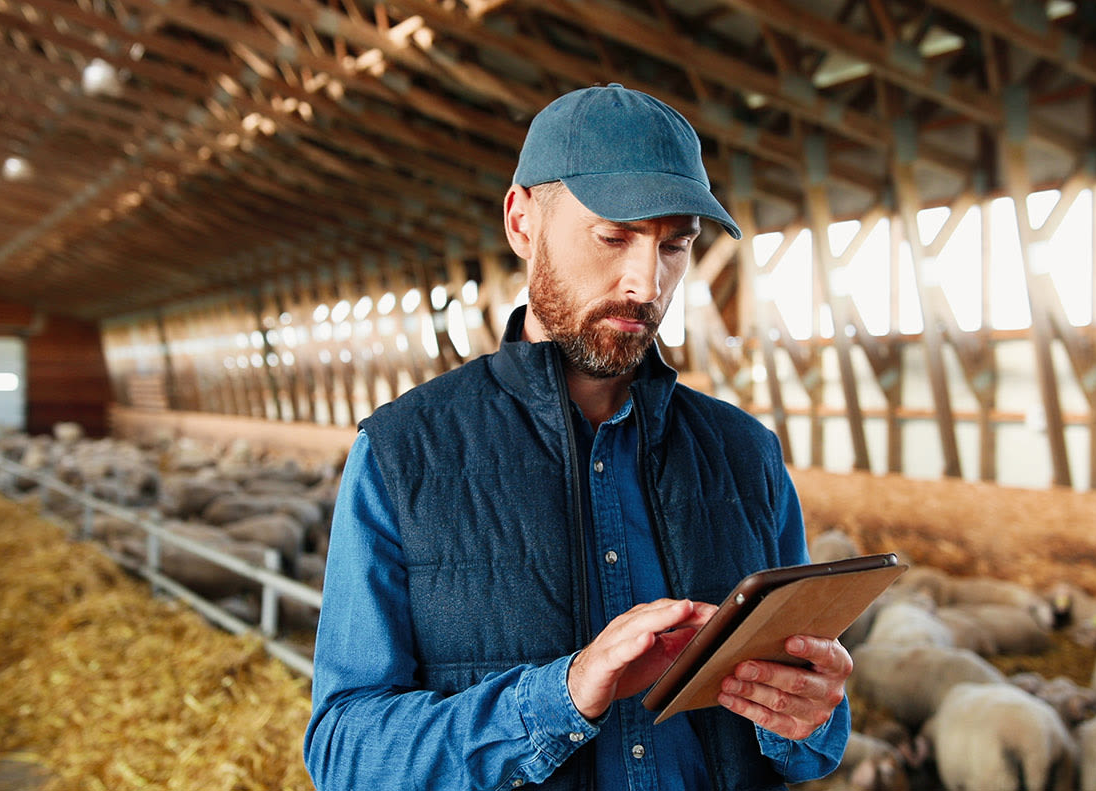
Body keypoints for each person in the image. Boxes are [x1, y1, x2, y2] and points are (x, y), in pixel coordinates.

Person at [303, 83, 851, 790]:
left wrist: (813, 714)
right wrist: (557, 698)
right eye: (614, 236)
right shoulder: (402, 453)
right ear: (522, 221)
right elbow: (344, 751)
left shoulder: (747, 455)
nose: (645, 283)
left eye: (675, 245)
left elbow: (810, 743)